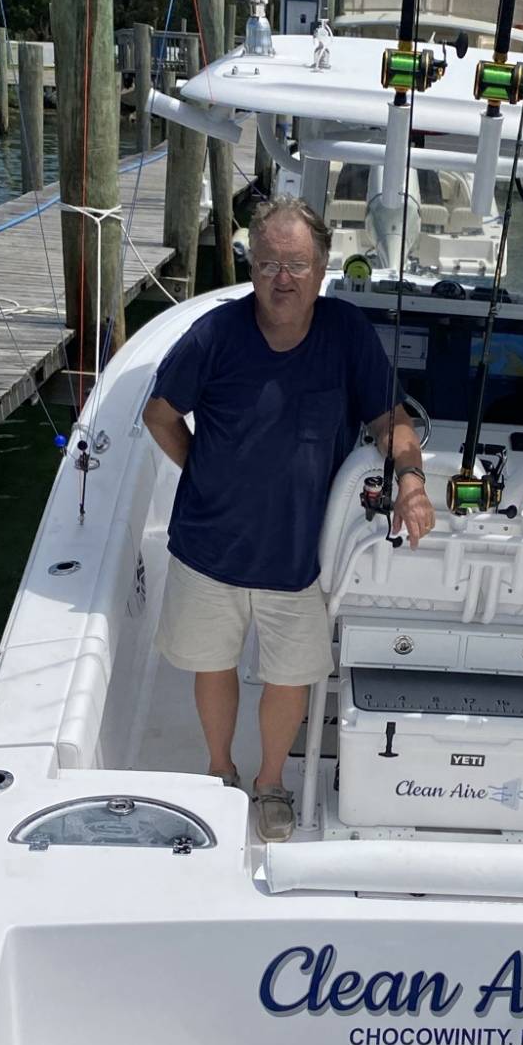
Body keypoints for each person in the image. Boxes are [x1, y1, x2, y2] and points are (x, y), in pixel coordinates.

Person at [142, 195, 435, 842]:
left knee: (288, 679)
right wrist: (200, 472)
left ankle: (270, 782)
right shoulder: (215, 335)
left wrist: (411, 482)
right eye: (269, 261)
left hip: (301, 553)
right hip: (207, 545)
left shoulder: (346, 333)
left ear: (323, 269)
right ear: (251, 265)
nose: (282, 277)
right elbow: (160, 413)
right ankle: (221, 771)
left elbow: (389, 420)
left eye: (296, 264)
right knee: (212, 665)